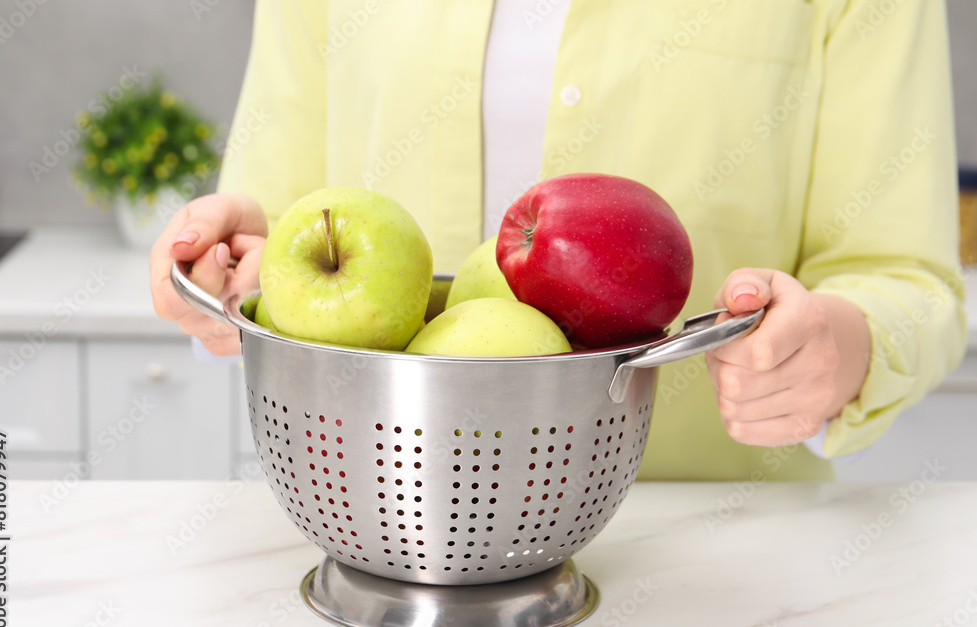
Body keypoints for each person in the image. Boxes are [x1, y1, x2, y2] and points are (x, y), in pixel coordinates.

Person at [150, 0, 966, 482]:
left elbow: (904, 274)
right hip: (378, 527)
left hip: (709, 565)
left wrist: (844, 346)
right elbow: (277, 222)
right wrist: (225, 271)